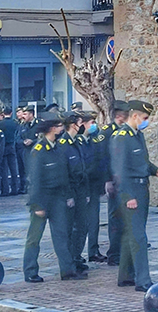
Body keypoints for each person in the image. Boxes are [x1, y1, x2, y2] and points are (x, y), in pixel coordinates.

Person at [110, 100, 158, 292]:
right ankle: (143, 280)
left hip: (142, 188)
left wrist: (154, 170)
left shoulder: (137, 136)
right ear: (134, 116)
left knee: (131, 234)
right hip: (131, 190)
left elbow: (141, 162)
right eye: (144, 118)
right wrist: (127, 196)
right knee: (139, 237)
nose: (146, 121)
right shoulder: (121, 137)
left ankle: (125, 276)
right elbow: (120, 170)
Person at [23, 113, 83, 282]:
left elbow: (64, 174)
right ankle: (30, 271)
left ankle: (68, 271)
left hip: (58, 198)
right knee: (34, 238)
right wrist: (37, 205)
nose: (61, 129)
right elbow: (34, 180)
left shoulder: (58, 148)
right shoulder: (39, 151)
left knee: (62, 235)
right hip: (42, 199)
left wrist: (68, 195)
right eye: (58, 126)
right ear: (51, 128)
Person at [61, 113, 91, 273]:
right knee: (70, 228)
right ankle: (70, 259)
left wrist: (85, 192)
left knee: (82, 226)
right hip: (70, 191)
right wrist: (68, 196)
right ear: (73, 125)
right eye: (80, 123)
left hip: (80, 190)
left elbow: (83, 169)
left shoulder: (76, 143)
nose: (81, 126)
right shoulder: (63, 144)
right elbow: (63, 173)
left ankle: (77, 256)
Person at [103, 100, 130, 266]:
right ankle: (113, 253)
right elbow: (103, 158)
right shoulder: (107, 132)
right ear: (119, 116)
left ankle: (122, 250)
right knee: (115, 218)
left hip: (124, 181)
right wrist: (107, 180)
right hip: (113, 180)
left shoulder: (125, 132)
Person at [83, 111, 109, 262]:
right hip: (80, 188)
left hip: (93, 186)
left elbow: (101, 161)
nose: (94, 125)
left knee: (94, 221)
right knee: (78, 225)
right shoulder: (78, 142)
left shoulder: (95, 139)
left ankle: (93, 250)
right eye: (91, 122)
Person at [0, 107, 20, 196]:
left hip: (3, 147)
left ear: (3, 113)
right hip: (12, 146)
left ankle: (5, 190)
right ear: (11, 113)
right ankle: (15, 189)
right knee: (13, 169)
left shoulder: (1, 123)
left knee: (4, 169)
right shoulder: (15, 123)